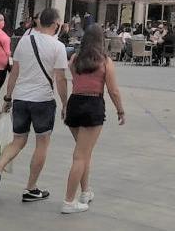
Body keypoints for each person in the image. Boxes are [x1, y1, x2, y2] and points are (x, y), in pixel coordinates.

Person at [0, 7, 69, 204]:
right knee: (42, 143)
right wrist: (65, 104)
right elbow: (60, 78)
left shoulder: (24, 40)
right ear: (56, 24)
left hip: (21, 99)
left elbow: (14, 72)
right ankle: (31, 188)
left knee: (18, 140)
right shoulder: (58, 47)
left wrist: (7, 97)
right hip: (43, 101)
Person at [61, 24, 125, 214]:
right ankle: (68, 201)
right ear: (101, 40)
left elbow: (76, 81)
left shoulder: (74, 59)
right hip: (93, 105)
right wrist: (120, 110)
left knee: (84, 152)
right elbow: (113, 90)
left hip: (75, 104)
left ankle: (85, 192)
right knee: (80, 155)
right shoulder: (105, 61)